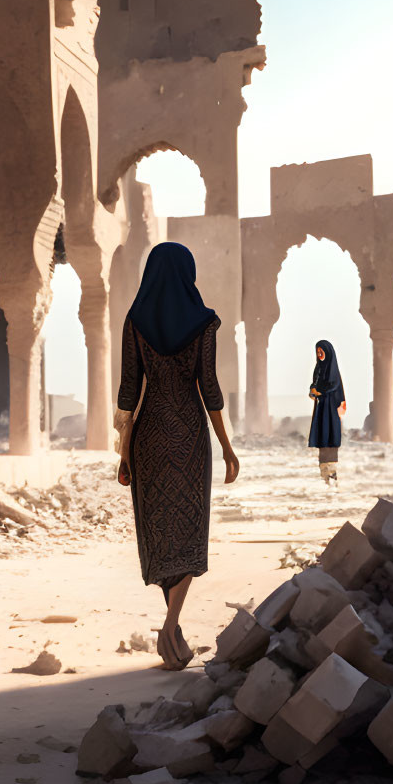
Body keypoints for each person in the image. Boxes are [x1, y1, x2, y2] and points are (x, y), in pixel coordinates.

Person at [112, 242, 240, 672]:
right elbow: (211, 390)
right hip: (189, 434)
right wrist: (225, 445)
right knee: (188, 527)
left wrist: (125, 452)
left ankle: (174, 633)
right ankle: (171, 626)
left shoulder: (136, 321)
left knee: (160, 530)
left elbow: (129, 392)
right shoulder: (204, 323)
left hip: (148, 435)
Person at [307, 340, 347, 486]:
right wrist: (313, 390)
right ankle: (323, 471)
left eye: (321, 351)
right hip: (321, 406)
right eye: (317, 352)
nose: (319, 354)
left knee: (329, 434)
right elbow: (315, 383)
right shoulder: (319, 367)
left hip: (330, 408)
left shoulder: (332, 369)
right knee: (322, 436)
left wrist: (320, 391)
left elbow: (333, 384)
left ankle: (332, 472)